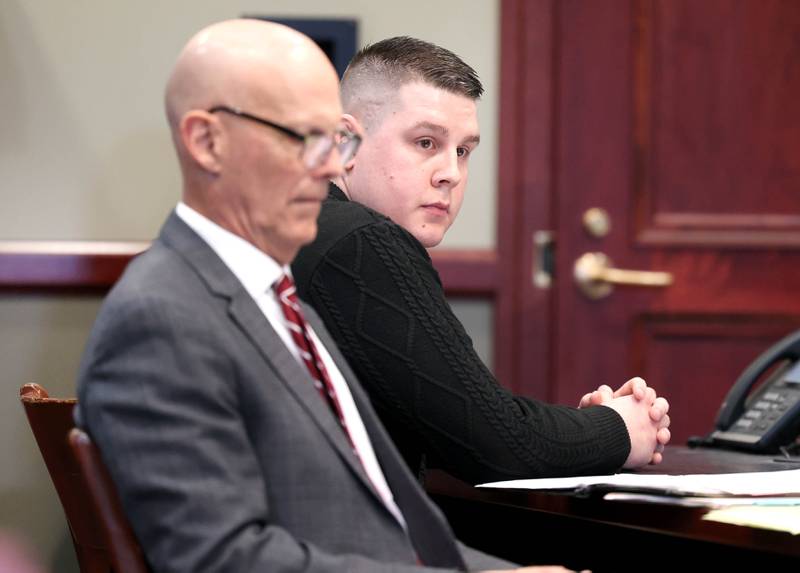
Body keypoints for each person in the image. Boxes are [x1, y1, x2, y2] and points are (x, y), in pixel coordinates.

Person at [75, 19, 578, 573]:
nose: (334, 165)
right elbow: (221, 559)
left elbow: (379, 525)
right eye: (304, 138)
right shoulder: (161, 315)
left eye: (340, 141)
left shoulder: (278, 297)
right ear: (206, 142)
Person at [292, 37, 671, 485]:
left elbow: (462, 415)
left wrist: (586, 428)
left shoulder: (305, 224)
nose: (450, 172)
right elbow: (499, 446)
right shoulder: (360, 243)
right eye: (425, 142)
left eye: (463, 150)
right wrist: (623, 429)